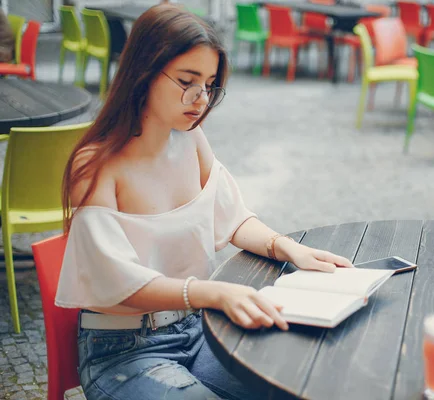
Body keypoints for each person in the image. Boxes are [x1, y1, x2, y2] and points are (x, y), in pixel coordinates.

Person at [55, 4, 353, 400]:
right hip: (123, 354)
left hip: (200, 329)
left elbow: (231, 218)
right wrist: (213, 293)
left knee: (298, 382)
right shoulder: (96, 164)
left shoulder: (191, 139)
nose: (201, 98)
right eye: (186, 81)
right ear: (142, 72)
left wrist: (289, 248)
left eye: (210, 84)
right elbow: (115, 285)